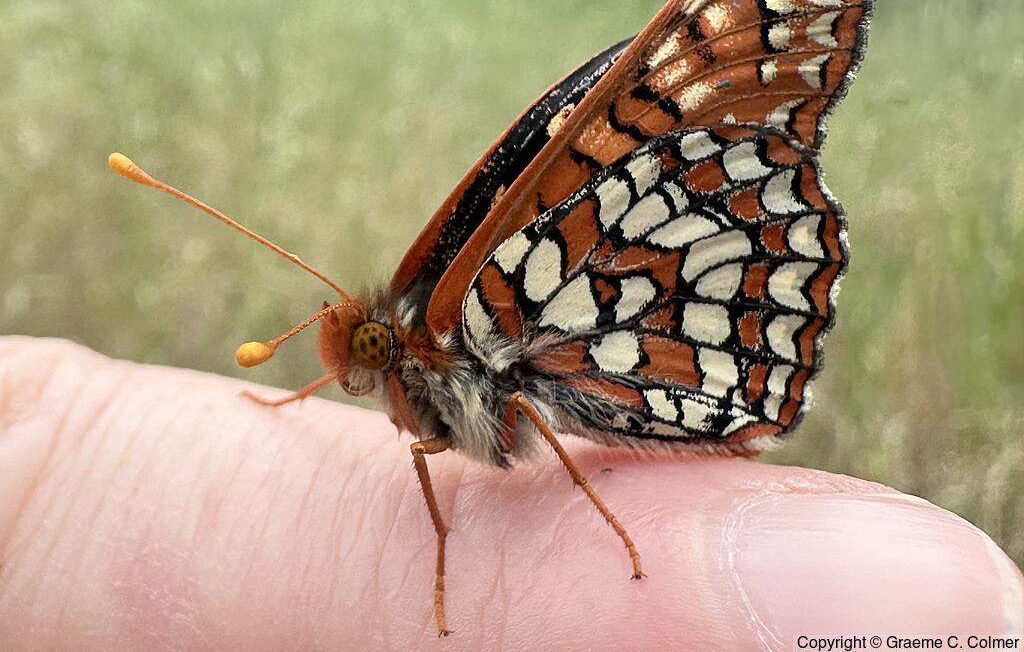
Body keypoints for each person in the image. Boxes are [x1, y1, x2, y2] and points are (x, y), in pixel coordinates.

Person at [2, 336, 1020, 650]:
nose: (369, 378)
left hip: (667, 325)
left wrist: (605, 517)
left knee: (520, 399)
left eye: (366, 354)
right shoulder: (415, 380)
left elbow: (510, 410)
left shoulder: (459, 330)